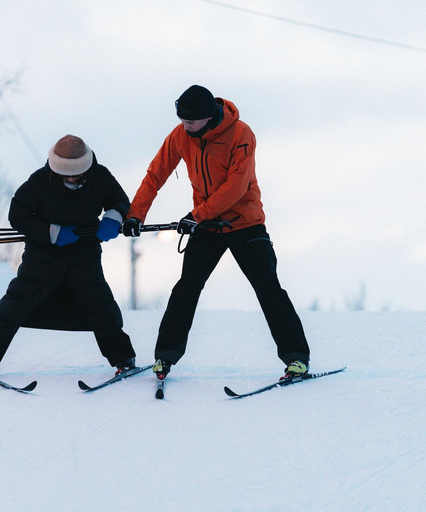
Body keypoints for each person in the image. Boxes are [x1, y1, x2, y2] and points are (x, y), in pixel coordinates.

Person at [122, 85, 310, 380]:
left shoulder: (241, 134)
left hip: (245, 224)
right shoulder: (180, 136)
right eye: (182, 121)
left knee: (269, 289)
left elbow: (236, 186)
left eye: (191, 122)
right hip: (206, 227)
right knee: (186, 288)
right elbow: (156, 173)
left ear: (208, 117)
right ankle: (164, 358)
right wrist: (135, 214)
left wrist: (196, 215)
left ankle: (296, 358)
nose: (185, 126)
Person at [0, 135, 137, 374]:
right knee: (16, 303)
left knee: (100, 304)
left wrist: (112, 218)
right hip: (42, 254)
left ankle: (124, 360)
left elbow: (119, 201)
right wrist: (52, 233)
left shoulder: (100, 177)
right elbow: (17, 216)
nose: (70, 178)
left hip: (84, 251)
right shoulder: (39, 181)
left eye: (76, 173)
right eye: (65, 174)